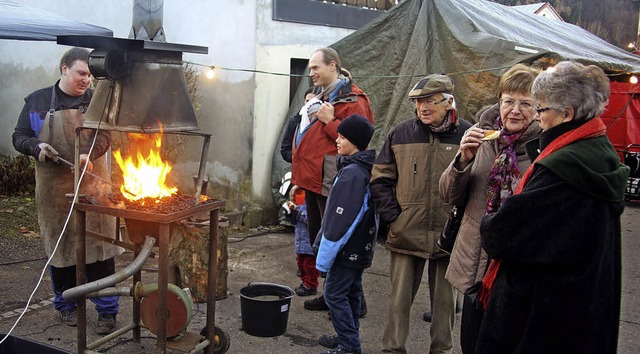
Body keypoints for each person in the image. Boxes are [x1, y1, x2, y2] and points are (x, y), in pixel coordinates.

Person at [475, 61, 629, 354]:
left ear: (566, 114)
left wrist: (491, 221)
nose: (538, 117)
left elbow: (502, 234)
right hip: (579, 303)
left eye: (541, 109)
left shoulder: (563, 167)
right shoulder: (597, 149)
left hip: (545, 312)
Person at [12, 47, 124, 335]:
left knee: (101, 251)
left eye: (90, 74)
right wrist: (36, 147)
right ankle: (66, 306)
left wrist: (91, 154)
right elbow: (21, 136)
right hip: (55, 193)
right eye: (81, 73)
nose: (87, 80)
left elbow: (106, 136)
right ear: (64, 69)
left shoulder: (96, 102)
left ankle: (107, 311)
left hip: (94, 188)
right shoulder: (38, 103)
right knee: (62, 252)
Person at [438, 63, 542, 353]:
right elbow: (448, 194)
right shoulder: (482, 138)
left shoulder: (541, 151)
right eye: (509, 101)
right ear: (499, 102)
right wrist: (462, 159)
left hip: (513, 272)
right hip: (474, 265)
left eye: (526, 103)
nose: (515, 110)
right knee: (470, 344)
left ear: (539, 108)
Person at [371, 74, 472, 354]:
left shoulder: (468, 134)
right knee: (398, 302)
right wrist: (395, 217)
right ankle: (392, 350)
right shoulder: (401, 133)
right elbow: (380, 178)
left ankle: (441, 351)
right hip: (406, 232)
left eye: (429, 101)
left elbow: (478, 183)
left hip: (447, 234)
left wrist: (461, 223)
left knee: (445, 306)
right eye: (417, 102)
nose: (422, 108)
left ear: (449, 102)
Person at [291, 47, 374, 312]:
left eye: (316, 67)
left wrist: (330, 121)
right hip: (315, 181)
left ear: (333, 66)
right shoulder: (320, 97)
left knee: (337, 241)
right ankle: (332, 297)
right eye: (310, 68)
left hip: (332, 182)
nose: (311, 72)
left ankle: (354, 303)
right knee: (320, 240)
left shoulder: (354, 100)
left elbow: (361, 139)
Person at [315, 114, 377, 354]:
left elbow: (341, 220)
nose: (337, 140)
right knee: (351, 291)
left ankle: (349, 345)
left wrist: (326, 249)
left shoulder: (353, 174)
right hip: (357, 248)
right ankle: (347, 337)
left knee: (334, 294)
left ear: (356, 142)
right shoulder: (357, 168)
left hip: (346, 248)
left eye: (342, 137)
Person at [282, 188, 318, 296]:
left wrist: (298, 213)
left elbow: (312, 219)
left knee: (310, 266)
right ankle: (305, 282)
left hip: (309, 244)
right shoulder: (300, 204)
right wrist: (290, 213)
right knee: (301, 264)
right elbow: (295, 221)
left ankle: (311, 285)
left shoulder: (313, 205)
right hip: (300, 243)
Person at [280, 87, 318, 163]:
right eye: (307, 101)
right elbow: (285, 150)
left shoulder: (323, 121)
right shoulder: (295, 121)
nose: (309, 104)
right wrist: (298, 158)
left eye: (313, 102)